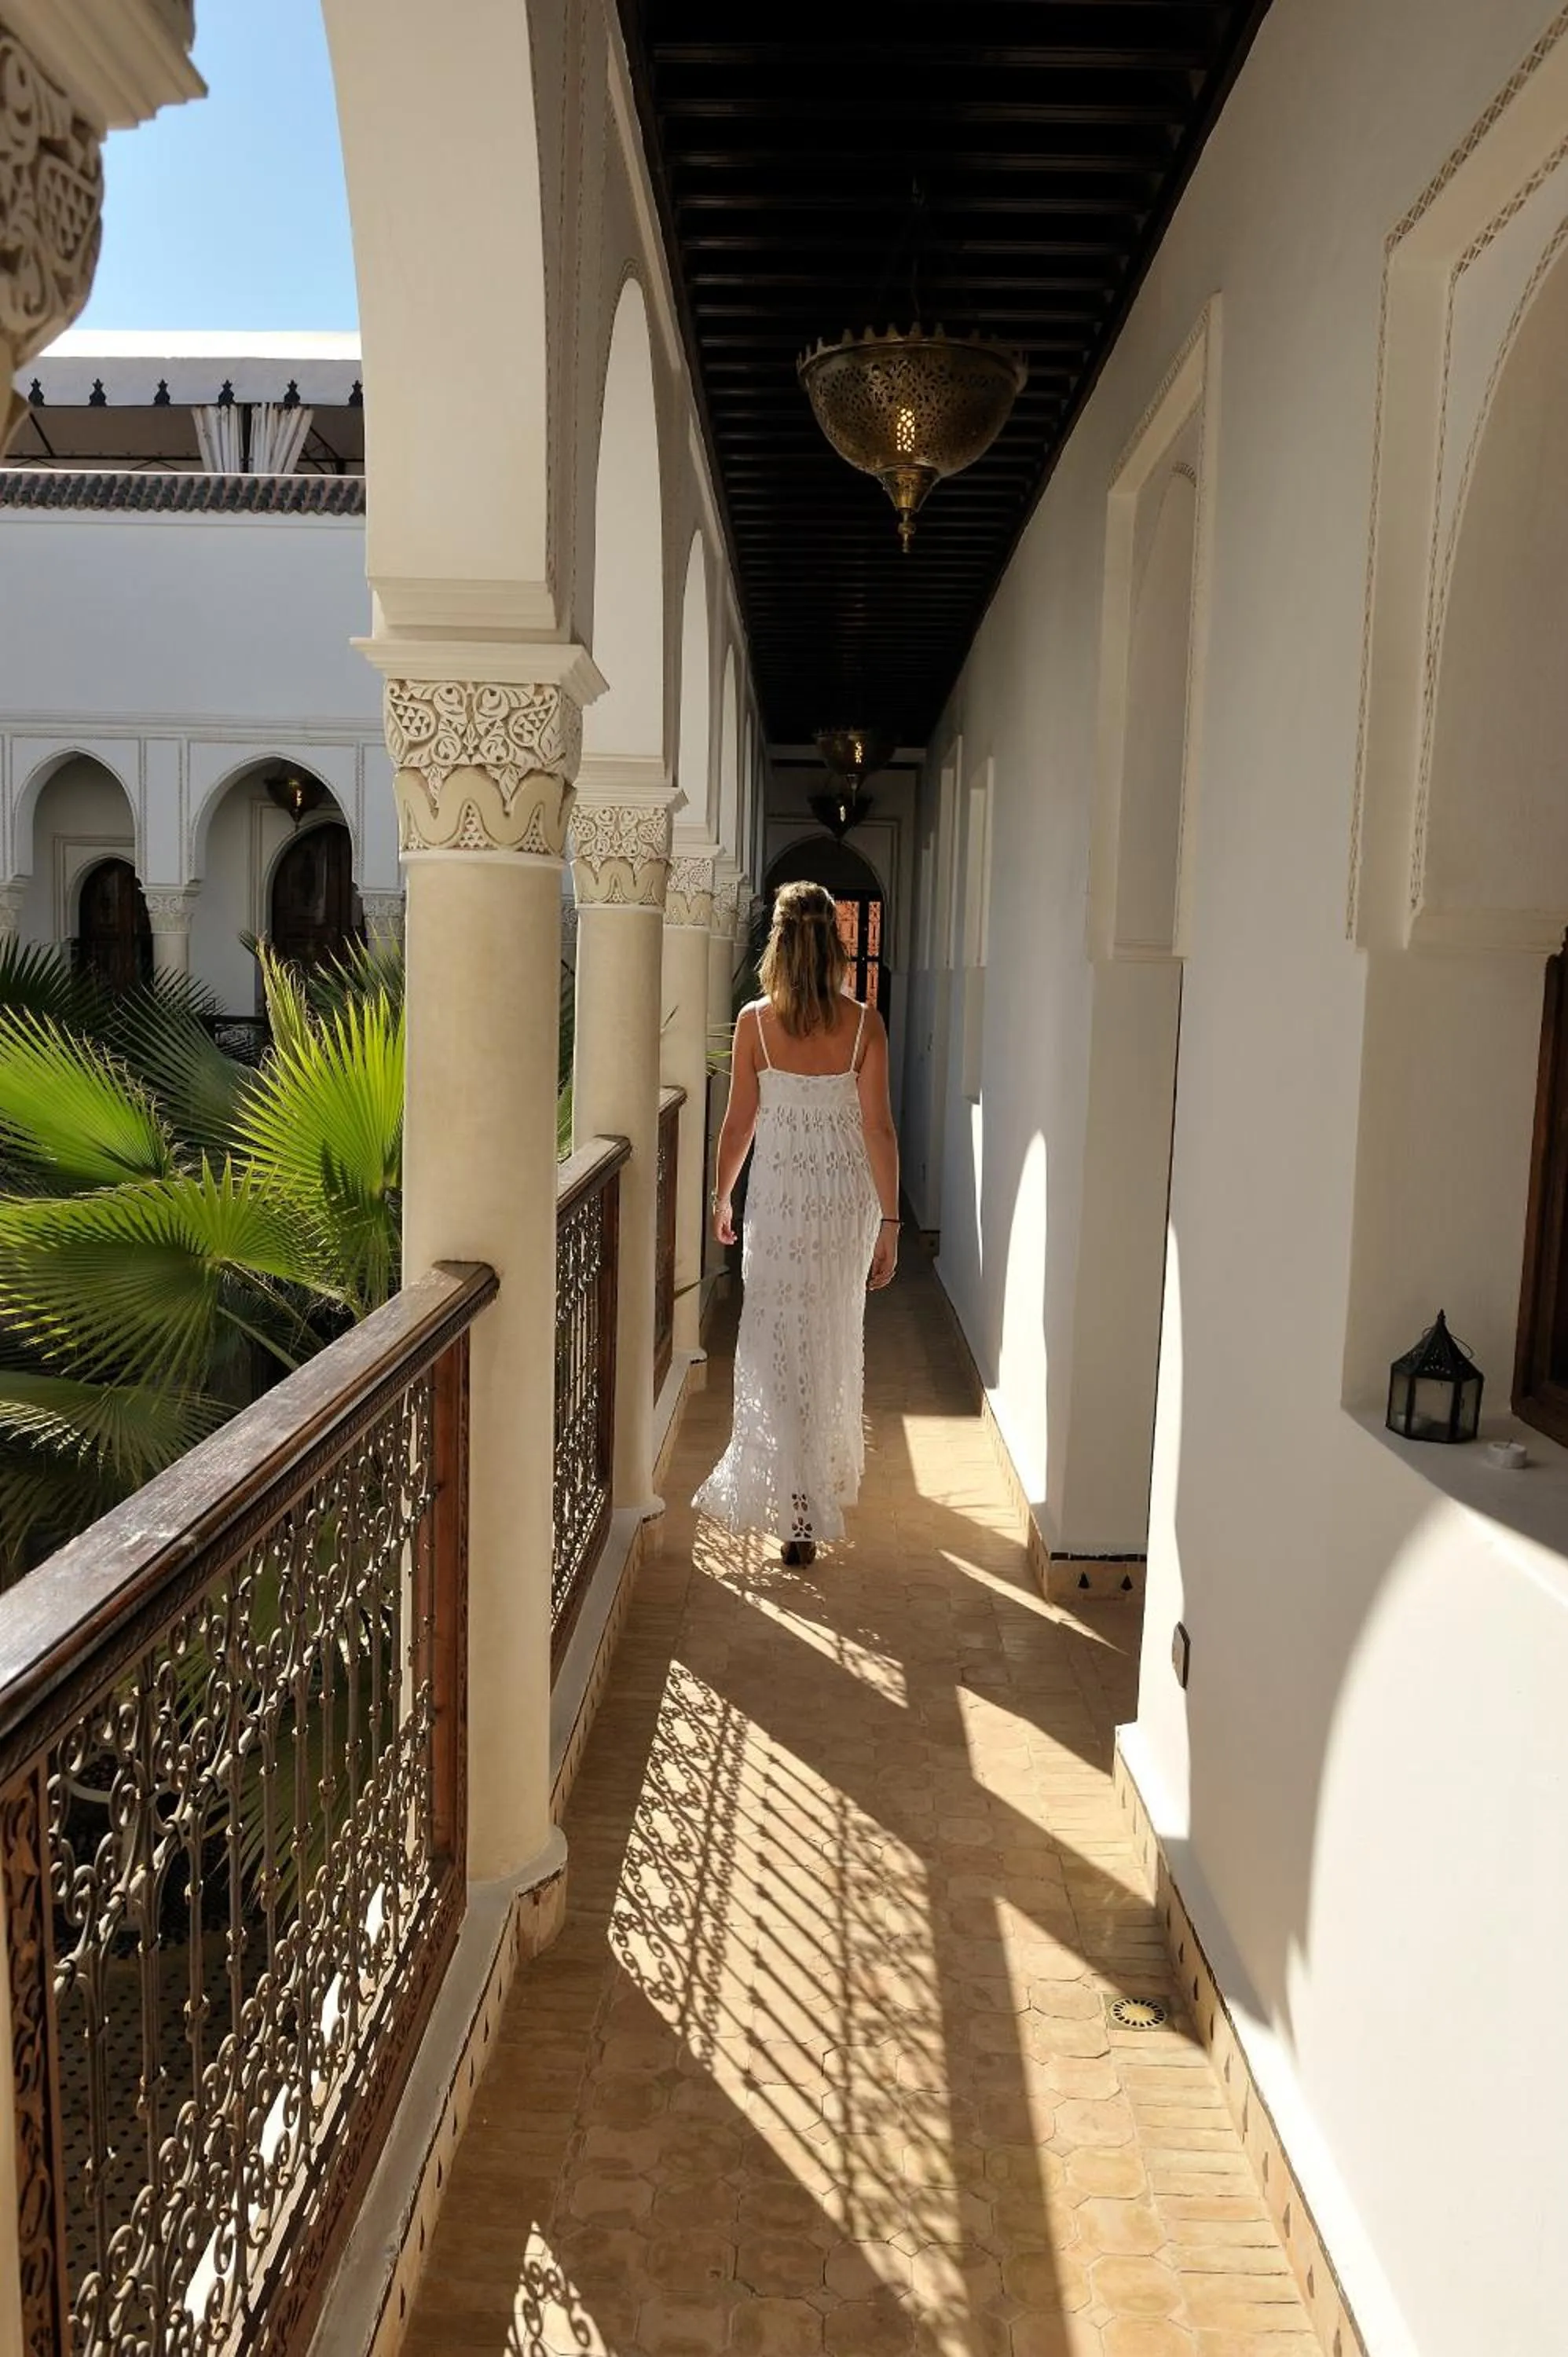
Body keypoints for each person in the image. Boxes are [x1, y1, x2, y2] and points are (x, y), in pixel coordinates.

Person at [694, 880, 900, 1566]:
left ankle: (794, 1497)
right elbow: (878, 1129)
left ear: (777, 944)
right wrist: (891, 1221)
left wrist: (720, 1197)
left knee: (775, 1339)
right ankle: (810, 1493)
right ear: (836, 944)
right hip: (843, 1205)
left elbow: (738, 1125)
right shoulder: (864, 1025)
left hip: (781, 1202)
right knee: (828, 1335)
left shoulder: (754, 1022)